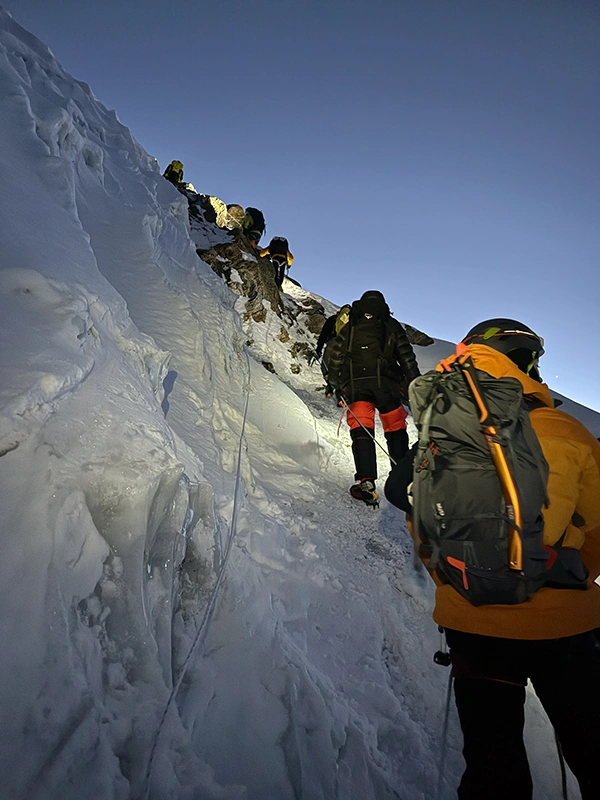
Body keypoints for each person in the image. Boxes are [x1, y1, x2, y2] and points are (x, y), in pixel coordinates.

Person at [385, 318, 600, 800]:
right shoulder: (565, 429)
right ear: (527, 362)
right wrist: (573, 574)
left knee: (492, 766)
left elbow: (423, 525)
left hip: (475, 623)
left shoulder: (441, 432)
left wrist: (460, 580)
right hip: (565, 626)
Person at [327, 290, 420, 506]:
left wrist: (337, 386)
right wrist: (415, 384)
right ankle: (403, 480)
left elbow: (336, 355)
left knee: (362, 432)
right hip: (387, 386)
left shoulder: (351, 325)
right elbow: (407, 357)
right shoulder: (390, 324)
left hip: (356, 387)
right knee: (395, 429)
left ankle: (366, 483)